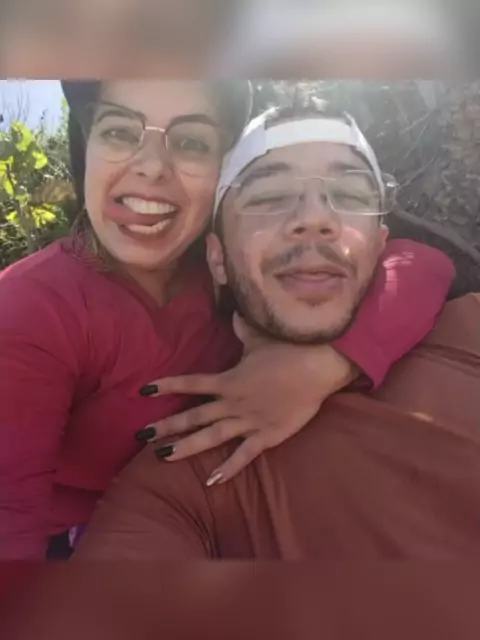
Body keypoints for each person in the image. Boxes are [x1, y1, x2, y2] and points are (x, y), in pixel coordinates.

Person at [0, 81, 453, 561]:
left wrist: (322, 367)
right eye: (118, 132)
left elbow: (419, 264)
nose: (151, 166)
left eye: (191, 142)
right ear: (86, 146)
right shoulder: (30, 308)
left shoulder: (233, 266)